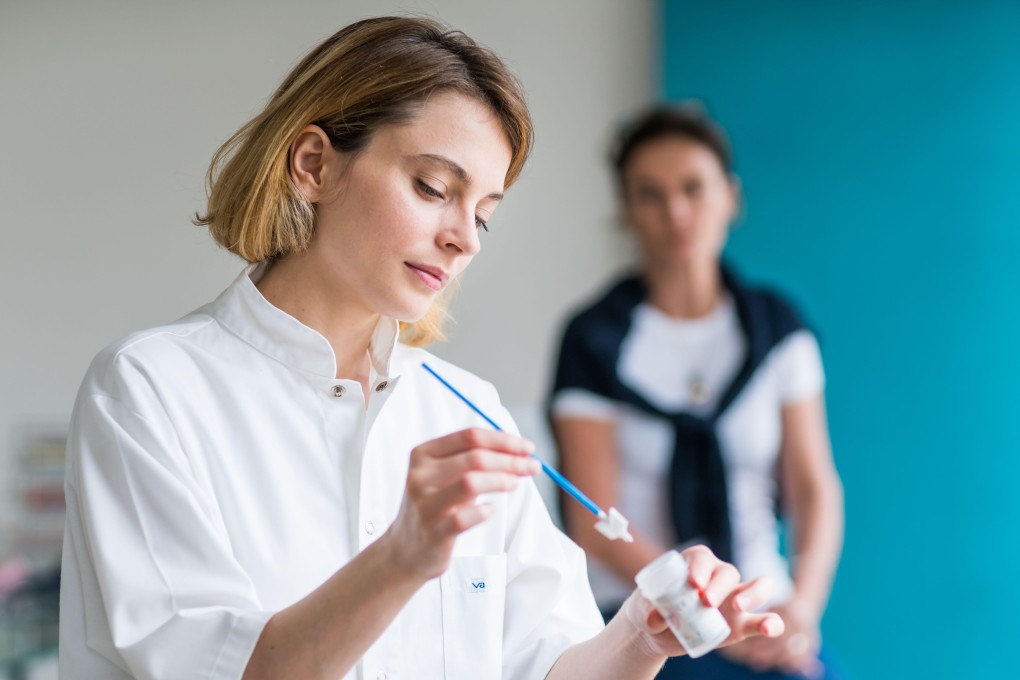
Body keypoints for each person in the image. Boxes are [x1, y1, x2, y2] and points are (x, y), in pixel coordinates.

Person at [58, 18, 784, 680]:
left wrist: (643, 636)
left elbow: (548, 665)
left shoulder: (467, 413)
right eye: (434, 187)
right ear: (313, 165)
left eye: (485, 216)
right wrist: (402, 557)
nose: (464, 238)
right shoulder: (149, 391)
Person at [548, 104, 844, 680]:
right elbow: (595, 522)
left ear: (729, 197)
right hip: (641, 615)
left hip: (763, 606)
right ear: (627, 211)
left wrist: (803, 609)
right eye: (650, 195)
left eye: (693, 188)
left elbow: (813, 487)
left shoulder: (778, 329)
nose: (676, 211)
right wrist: (699, 614)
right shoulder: (593, 340)